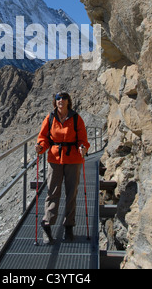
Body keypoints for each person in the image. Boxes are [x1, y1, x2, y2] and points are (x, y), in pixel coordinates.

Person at [35, 91, 90, 243]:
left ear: (68, 101)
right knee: (53, 192)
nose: (61, 100)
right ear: (55, 102)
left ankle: (69, 226)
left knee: (71, 193)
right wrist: (40, 146)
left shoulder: (76, 118)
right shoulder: (50, 117)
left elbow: (83, 139)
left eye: (64, 98)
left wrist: (83, 147)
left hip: (73, 159)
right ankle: (47, 225)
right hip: (55, 159)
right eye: (58, 98)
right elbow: (44, 138)